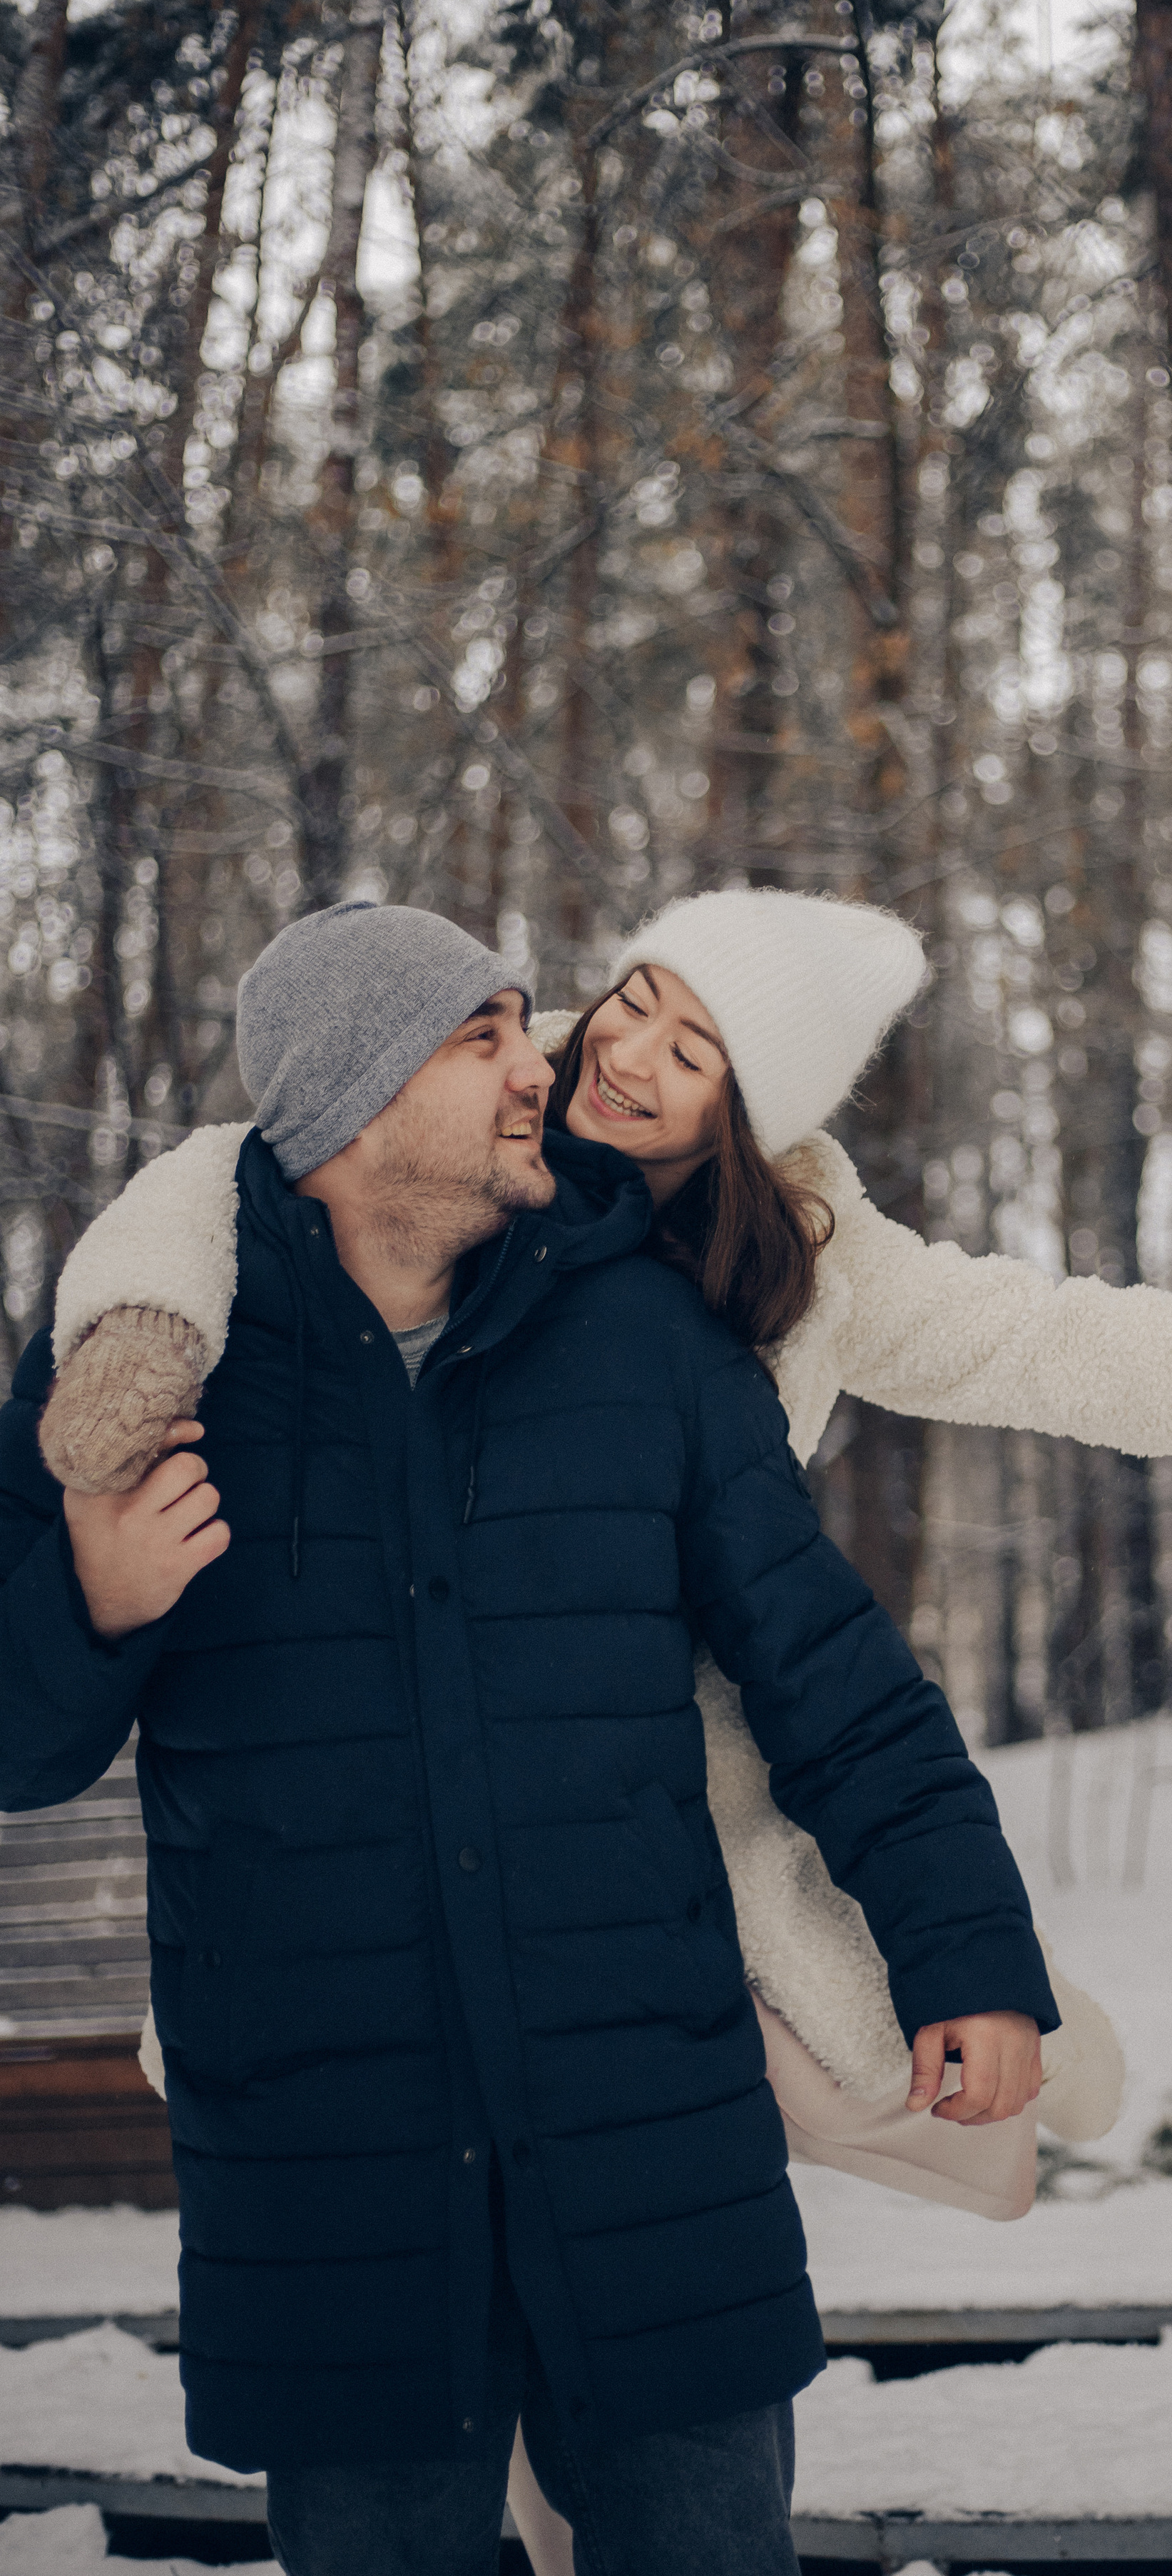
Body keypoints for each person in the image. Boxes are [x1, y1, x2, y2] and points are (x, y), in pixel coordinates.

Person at [0, 901, 1061, 2576]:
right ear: (355, 1102)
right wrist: (94, 1600)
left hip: (646, 2150)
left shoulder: (638, 1336)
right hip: (329, 2179)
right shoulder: (163, 1360)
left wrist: (968, 1958)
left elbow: (831, 1679)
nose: (543, 1063)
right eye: (484, 1038)